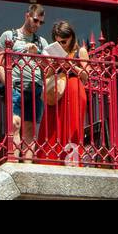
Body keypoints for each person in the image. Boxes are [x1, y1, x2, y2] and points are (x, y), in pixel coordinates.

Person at [0, 0, 48, 162]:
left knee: (30, 130)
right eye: (35, 20)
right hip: (16, 86)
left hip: (35, 88)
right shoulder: (9, 36)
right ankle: (14, 163)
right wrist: (8, 84)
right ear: (27, 16)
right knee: (15, 124)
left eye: (41, 22)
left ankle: (28, 165)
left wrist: (36, 54)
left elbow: (47, 68)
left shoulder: (41, 42)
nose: (37, 24)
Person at [38, 20, 89, 166]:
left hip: (74, 89)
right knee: (52, 126)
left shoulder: (81, 51)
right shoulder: (55, 52)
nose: (61, 45)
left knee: (72, 126)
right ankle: (50, 160)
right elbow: (47, 76)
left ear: (71, 37)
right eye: (58, 42)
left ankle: (71, 161)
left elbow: (87, 75)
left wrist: (70, 65)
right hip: (57, 92)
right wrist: (53, 65)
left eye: (64, 41)